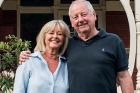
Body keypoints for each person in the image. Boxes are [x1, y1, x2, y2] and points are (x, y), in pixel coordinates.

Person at [19, 0, 134, 93]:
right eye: (75, 17)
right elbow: (49, 53)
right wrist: (27, 56)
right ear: (71, 22)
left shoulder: (113, 41)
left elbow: (123, 77)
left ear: (94, 15)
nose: (80, 20)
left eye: (84, 14)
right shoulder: (67, 44)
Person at [13, 20, 70, 93]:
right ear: (44, 37)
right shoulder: (28, 61)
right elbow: (18, 90)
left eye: (59, 34)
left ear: (64, 39)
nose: (55, 36)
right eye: (51, 33)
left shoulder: (66, 64)